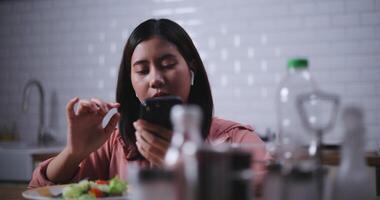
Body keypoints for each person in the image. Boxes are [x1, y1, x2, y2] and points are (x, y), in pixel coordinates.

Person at [29, 19, 269, 191]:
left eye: (167, 64)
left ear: (191, 70)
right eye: (142, 70)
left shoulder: (234, 139)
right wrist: (74, 153)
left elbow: (268, 192)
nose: (155, 79)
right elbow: (38, 188)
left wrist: (184, 167)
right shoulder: (115, 143)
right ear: (131, 83)